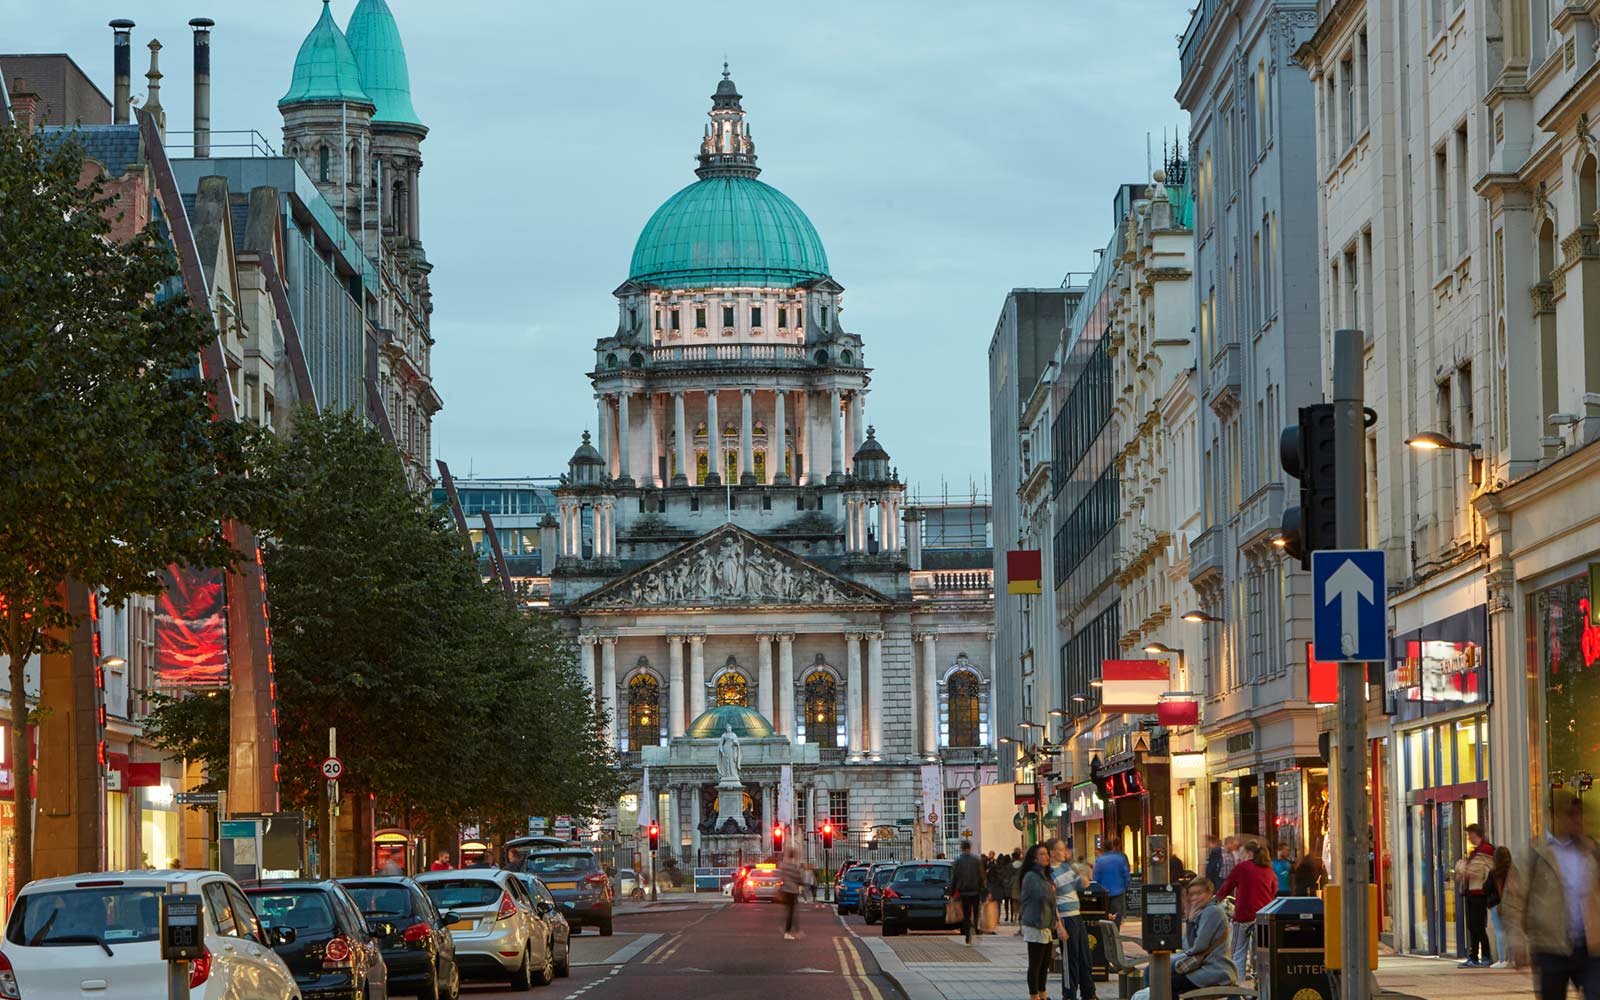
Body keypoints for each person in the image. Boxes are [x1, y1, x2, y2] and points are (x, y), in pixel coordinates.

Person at [1504, 793, 1600, 1000]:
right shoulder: (1534, 854)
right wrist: (1517, 941)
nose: (1576, 821)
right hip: (1550, 947)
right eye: (1570, 815)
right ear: (1554, 817)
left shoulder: (1593, 850)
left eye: (1579, 815)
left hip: (1590, 947)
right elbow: (1514, 900)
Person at [1216, 842, 1276, 980]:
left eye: (1242, 853)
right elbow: (1274, 890)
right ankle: (1259, 982)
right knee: (1260, 952)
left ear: (1249, 853)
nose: (1240, 856)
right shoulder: (1269, 870)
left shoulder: (1242, 868)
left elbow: (1227, 886)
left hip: (1243, 915)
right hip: (1262, 917)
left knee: (1238, 952)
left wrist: (1216, 900)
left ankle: (1238, 983)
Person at [1048, 837, 1096, 1000]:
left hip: (1077, 916)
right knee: (1071, 959)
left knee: (1085, 956)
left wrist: (1077, 868)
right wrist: (1059, 924)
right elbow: (1051, 900)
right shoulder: (1050, 873)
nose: (1064, 852)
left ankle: (1088, 992)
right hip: (1066, 918)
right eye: (1061, 849)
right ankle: (1069, 994)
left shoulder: (1067, 868)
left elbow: (1084, 883)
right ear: (1052, 853)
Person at [1019, 843, 1062, 1000]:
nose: (1047, 857)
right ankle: (1034, 995)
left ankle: (1043, 993)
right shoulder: (1031, 876)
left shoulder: (1045, 876)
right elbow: (1041, 896)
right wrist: (1051, 890)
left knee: (1045, 964)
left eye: (1046, 854)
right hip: (1035, 923)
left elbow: (1050, 899)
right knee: (1036, 963)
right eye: (1042, 854)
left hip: (1045, 924)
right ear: (1035, 859)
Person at [1456, 823, 1496, 968]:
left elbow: (1478, 870)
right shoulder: (1475, 852)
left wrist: (1465, 869)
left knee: (1477, 925)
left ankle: (1483, 956)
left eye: (1470, 835)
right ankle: (1476, 956)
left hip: (1479, 892)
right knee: (1473, 926)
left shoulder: (1486, 850)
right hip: (1471, 892)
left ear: (1475, 834)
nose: (1469, 838)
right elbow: (1464, 868)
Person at [952, 839, 985, 945]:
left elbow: (955, 878)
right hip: (975, 891)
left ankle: (967, 935)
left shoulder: (958, 861)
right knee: (976, 912)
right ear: (969, 848)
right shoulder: (976, 860)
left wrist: (952, 892)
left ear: (962, 848)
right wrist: (983, 889)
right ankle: (975, 927)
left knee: (966, 914)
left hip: (964, 892)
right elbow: (981, 876)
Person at [1092, 838, 1132, 926]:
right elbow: (1126, 875)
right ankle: (1115, 934)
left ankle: (1106, 935)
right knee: (1117, 915)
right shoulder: (1120, 859)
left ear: (1103, 848)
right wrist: (1125, 886)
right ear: (1112, 847)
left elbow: (1096, 878)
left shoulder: (1100, 860)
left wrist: (1097, 891)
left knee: (1104, 914)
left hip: (1104, 892)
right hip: (1118, 891)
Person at [1488, 845, 1514, 968]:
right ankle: (1511, 959)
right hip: (1511, 905)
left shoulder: (1493, 872)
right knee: (1510, 932)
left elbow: (1486, 888)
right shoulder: (1513, 871)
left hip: (1497, 906)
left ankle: (1502, 959)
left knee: (1499, 932)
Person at [779, 844, 805, 940]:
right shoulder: (794, 866)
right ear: (794, 855)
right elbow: (798, 878)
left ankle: (791, 930)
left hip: (785, 890)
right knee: (792, 912)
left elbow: (781, 878)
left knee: (790, 911)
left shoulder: (784, 866)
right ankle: (788, 932)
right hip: (792, 891)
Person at [1008, 848, 1024, 924]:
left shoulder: (1011, 865)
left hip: (1013, 884)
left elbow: (1009, 875)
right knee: (1020, 901)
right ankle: (1020, 915)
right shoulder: (1023, 864)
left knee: (1014, 901)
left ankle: (1014, 915)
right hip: (1021, 884)